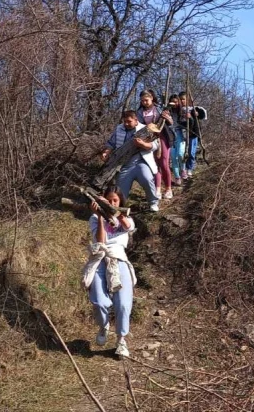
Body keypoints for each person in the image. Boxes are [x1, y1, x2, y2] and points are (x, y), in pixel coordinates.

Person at [82, 186, 137, 357]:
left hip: (119, 259)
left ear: (120, 202)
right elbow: (100, 241)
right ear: (102, 200)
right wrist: (100, 217)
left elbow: (127, 227)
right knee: (99, 299)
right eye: (109, 200)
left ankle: (121, 340)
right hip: (100, 257)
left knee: (123, 303)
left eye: (115, 200)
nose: (112, 203)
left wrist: (116, 212)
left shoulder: (126, 217)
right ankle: (103, 326)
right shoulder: (93, 218)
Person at [101, 110, 160, 212]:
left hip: (140, 162)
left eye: (129, 121)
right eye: (125, 121)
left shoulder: (145, 128)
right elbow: (111, 143)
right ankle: (119, 211)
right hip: (123, 164)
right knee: (120, 190)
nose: (126, 124)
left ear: (136, 120)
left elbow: (155, 145)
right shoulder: (119, 128)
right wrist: (106, 152)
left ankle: (153, 203)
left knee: (147, 179)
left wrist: (143, 145)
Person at [136, 90, 174, 199]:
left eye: (146, 100)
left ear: (152, 98)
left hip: (162, 138)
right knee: (154, 165)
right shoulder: (139, 113)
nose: (144, 102)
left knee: (164, 163)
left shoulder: (160, 109)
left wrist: (167, 118)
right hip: (148, 140)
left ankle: (168, 188)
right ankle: (157, 188)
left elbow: (171, 123)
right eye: (142, 101)